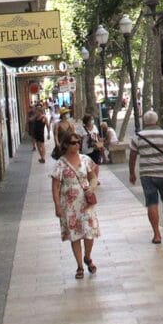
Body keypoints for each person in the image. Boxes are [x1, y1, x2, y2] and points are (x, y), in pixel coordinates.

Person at [128, 111, 163, 244]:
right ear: (157, 120)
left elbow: (132, 156)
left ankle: (157, 234)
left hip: (147, 174)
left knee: (151, 203)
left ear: (144, 122)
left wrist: (132, 173)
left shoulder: (138, 137)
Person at [50, 131, 100, 279]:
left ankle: (88, 257)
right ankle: (79, 266)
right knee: (75, 235)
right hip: (69, 205)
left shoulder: (85, 160)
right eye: (73, 143)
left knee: (89, 232)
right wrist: (57, 206)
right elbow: (55, 187)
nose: (77, 145)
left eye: (78, 142)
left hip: (86, 202)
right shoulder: (60, 164)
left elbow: (93, 177)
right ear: (65, 144)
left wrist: (91, 188)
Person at [78, 114, 105, 183]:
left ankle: (95, 179)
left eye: (92, 119)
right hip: (86, 149)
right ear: (86, 121)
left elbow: (97, 136)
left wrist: (100, 144)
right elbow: (80, 139)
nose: (92, 121)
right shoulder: (82, 129)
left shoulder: (95, 127)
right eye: (91, 120)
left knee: (96, 164)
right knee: (88, 165)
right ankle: (90, 179)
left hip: (95, 148)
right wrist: (79, 149)